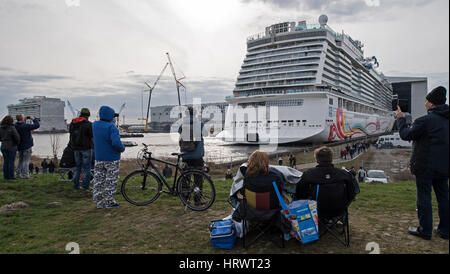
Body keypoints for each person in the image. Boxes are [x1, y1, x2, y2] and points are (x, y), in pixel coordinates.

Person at [395, 86, 449, 240]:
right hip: (444, 166)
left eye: (426, 101)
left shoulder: (425, 120)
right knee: (444, 197)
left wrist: (400, 119)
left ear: (431, 104)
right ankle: (445, 230)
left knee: (424, 197)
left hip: (425, 166)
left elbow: (406, 134)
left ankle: (425, 230)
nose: (425, 104)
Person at [92, 106, 125, 209]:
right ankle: (110, 202)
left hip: (98, 157)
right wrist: (122, 148)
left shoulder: (94, 125)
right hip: (111, 158)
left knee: (98, 180)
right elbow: (116, 143)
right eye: (113, 116)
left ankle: (98, 202)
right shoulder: (112, 127)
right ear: (110, 116)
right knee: (111, 180)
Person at [178, 107, 205, 206]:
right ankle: (197, 200)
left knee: (186, 178)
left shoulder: (182, 125)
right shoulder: (200, 124)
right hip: (197, 156)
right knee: (198, 178)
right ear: (195, 114)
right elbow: (205, 133)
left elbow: (179, 132)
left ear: (186, 114)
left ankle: (186, 200)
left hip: (186, 156)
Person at [69, 108, 94, 190]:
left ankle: (76, 186)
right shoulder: (88, 124)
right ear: (88, 116)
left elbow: (71, 134)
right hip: (86, 148)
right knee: (87, 168)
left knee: (77, 167)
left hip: (75, 148)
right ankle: (85, 186)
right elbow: (91, 135)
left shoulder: (73, 123)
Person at [15, 114, 40, 179]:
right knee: (26, 161)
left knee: (20, 160)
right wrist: (34, 119)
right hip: (27, 146)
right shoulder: (25, 126)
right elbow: (37, 125)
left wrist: (24, 119)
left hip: (19, 146)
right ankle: (25, 175)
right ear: (22, 119)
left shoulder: (15, 125)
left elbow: (21, 124)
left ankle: (17, 174)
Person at [0, 115, 20, 180]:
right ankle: (11, 177)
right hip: (11, 146)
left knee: (5, 162)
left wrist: (3, 140)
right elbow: (17, 138)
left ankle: (6, 177)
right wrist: (16, 144)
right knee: (11, 162)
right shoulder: (12, 127)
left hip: (3, 146)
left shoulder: (1, 128)